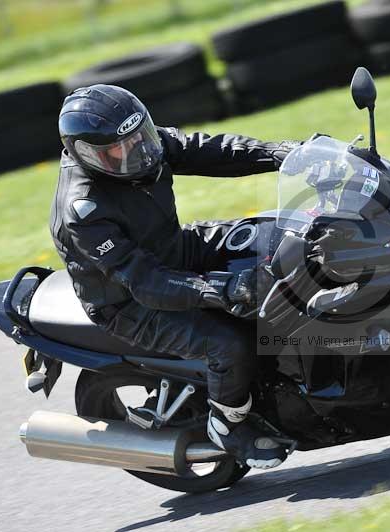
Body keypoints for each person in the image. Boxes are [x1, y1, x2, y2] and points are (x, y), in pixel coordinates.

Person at [52, 84, 299, 469]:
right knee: (228, 343)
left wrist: (285, 154)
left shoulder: (138, 145)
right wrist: (219, 288)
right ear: (87, 156)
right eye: (116, 149)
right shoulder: (84, 210)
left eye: (139, 136)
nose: (134, 150)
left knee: (281, 238)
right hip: (130, 302)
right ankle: (228, 424)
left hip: (176, 249)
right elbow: (146, 281)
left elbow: (212, 149)